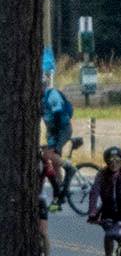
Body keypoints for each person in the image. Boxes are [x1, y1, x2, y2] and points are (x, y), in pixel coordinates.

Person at [40, 74, 74, 209]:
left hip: (62, 129)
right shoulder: (40, 98)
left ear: (44, 85)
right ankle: (60, 193)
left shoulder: (52, 94)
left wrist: (57, 142)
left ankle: (69, 168)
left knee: (50, 154)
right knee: (53, 162)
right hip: (52, 132)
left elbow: (59, 114)